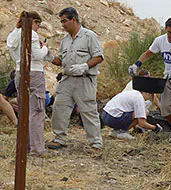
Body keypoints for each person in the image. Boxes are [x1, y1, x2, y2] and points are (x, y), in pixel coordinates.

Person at [128, 17, 171, 145]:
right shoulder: (160, 40)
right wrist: (136, 64)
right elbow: (148, 53)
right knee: (164, 108)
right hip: (168, 79)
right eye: (169, 32)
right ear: (165, 29)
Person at [45, 7, 103, 150]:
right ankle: (59, 139)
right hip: (67, 79)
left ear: (74, 20)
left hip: (84, 80)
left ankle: (95, 143)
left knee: (88, 111)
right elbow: (61, 61)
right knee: (59, 108)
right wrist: (49, 56)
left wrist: (84, 66)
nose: (62, 25)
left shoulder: (89, 36)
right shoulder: (65, 40)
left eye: (64, 21)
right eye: (61, 22)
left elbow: (99, 57)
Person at [7, 11, 49, 156]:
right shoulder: (32, 34)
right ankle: (37, 149)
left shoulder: (13, 35)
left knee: (24, 110)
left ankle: (24, 146)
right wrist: (45, 48)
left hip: (19, 71)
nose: (38, 28)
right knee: (36, 111)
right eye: (38, 24)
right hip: (35, 72)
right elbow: (37, 55)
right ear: (34, 21)